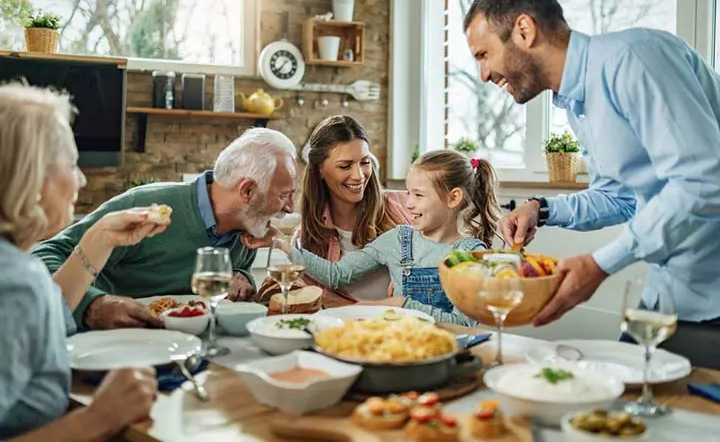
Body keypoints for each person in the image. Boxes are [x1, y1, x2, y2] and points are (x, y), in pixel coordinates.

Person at [463, 0, 720, 367]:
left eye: (483, 55)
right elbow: (620, 197)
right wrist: (541, 209)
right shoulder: (577, 101)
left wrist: (601, 264)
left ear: (524, 30)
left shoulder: (635, 58)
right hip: (669, 296)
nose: (483, 75)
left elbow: (704, 182)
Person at [0, 83, 159, 439]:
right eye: (73, 164)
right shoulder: (13, 282)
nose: (82, 180)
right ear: (32, 177)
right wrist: (99, 417)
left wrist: (101, 238)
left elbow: (44, 320)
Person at [32, 127, 297, 330]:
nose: (289, 208)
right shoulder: (147, 205)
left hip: (184, 350)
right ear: (247, 191)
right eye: (285, 195)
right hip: (107, 346)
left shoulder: (249, 227)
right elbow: (43, 256)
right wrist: (92, 304)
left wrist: (243, 279)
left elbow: (240, 274)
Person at [248, 150, 501, 326]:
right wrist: (283, 244)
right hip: (395, 344)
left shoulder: (470, 254)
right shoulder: (398, 239)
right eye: (408, 193)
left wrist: (402, 304)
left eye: (419, 195)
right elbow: (337, 275)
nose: (409, 204)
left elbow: (463, 323)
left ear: (453, 198)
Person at [292, 115, 412, 304]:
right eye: (345, 166)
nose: (359, 175)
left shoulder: (406, 206)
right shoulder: (306, 238)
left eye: (365, 162)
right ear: (319, 171)